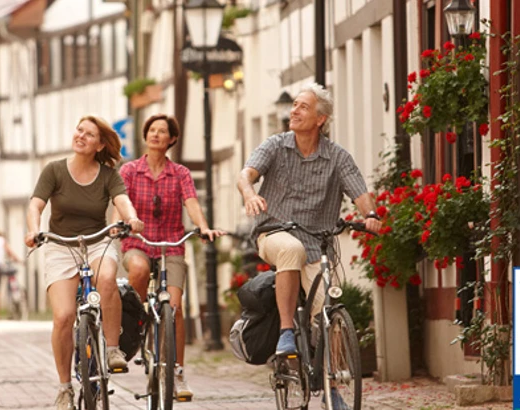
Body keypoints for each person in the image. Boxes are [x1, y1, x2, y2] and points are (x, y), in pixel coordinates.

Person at [236, 83, 382, 357]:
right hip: (273, 232)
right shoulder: (276, 146)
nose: (294, 111)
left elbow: (359, 191)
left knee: (330, 310)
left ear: (320, 119)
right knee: (292, 250)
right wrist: (248, 194)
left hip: (317, 243)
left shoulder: (337, 156)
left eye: (303, 107)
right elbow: (246, 174)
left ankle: (335, 385)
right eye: (294, 105)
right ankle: (285, 332)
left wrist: (370, 215)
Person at [24, 115, 145, 410]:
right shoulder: (54, 170)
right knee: (64, 316)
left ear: (100, 144)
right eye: (79, 130)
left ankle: (113, 349)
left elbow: (122, 200)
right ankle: (65, 387)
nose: (81, 136)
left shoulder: (108, 175)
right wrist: (33, 229)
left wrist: (130, 218)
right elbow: (35, 204)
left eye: (89, 135)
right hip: (61, 246)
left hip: (97, 242)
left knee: (106, 279)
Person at [112, 114, 225, 401]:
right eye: (152, 130)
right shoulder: (130, 171)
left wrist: (203, 227)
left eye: (162, 131)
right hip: (138, 242)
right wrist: (117, 224)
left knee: (174, 307)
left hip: (171, 245)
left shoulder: (180, 174)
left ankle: (177, 372)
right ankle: (138, 318)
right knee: (136, 269)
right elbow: (120, 202)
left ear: (171, 139)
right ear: (145, 135)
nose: (156, 134)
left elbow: (191, 203)